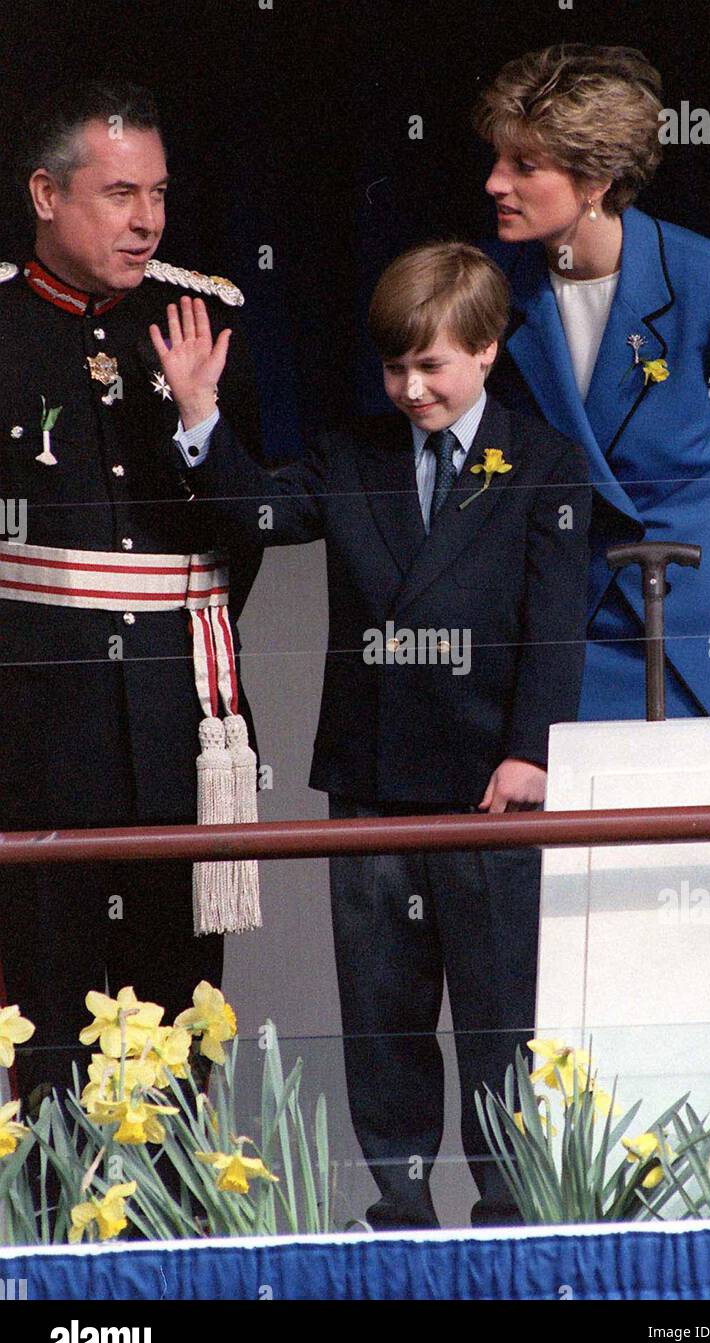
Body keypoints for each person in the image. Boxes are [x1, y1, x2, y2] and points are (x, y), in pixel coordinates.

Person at [150, 242, 591, 1228]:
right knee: (384, 1018)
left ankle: (511, 1211)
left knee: (498, 1023)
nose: (411, 387)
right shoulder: (352, 455)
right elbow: (255, 511)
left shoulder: (547, 465)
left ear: (487, 349)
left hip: (493, 786)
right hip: (377, 786)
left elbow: (557, 629)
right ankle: (398, 1207)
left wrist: (531, 754)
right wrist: (199, 418)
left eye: (432, 365)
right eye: (395, 367)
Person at [473, 44, 710, 813]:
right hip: (583, 633)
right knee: (598, 898)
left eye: (524, 165)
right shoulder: (497, 300)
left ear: (596, 179)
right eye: (498, 160)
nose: (495, 183)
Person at [0, 80, 264, 1113]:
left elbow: (250, 527)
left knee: (178, 1012)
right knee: (53, 1013)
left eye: (156, 191)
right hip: (35, 718)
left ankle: (175, 1245)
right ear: (45, 194)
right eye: (118, 193)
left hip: (175, 716)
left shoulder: (207, 314)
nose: (146, 217)